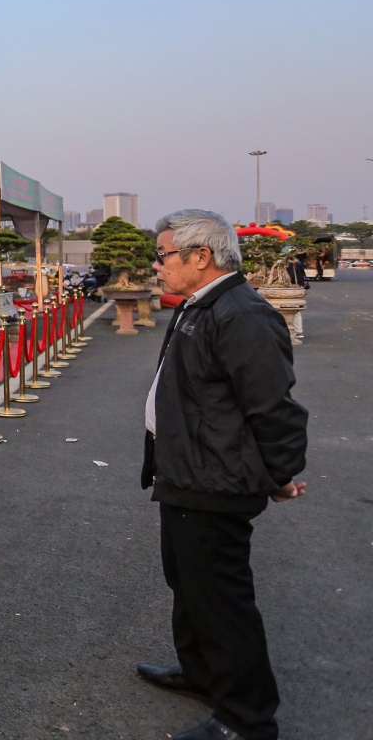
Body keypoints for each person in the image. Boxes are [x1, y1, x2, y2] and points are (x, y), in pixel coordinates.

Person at [139, 209, 308, 740]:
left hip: (214, 480)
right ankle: (202, 672)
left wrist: (278, 474)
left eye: (164, 255)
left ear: (201, 257)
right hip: (186, 471)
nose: (157, 264)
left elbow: (272, 407)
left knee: (220, 599)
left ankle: (246, 718)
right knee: (186, 582)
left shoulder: (242, 314)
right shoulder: (201, 305)